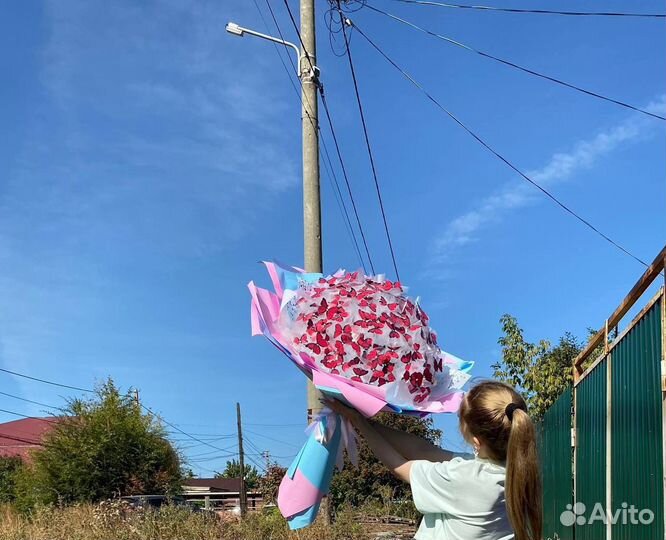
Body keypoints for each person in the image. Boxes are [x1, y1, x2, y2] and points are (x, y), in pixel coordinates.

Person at [326, 380, 542, 540]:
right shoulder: (512, 471)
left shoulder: (465, 478)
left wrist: (358, 422)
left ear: (476, 440)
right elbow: (425, 451)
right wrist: (370, 423)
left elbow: (401, 468)